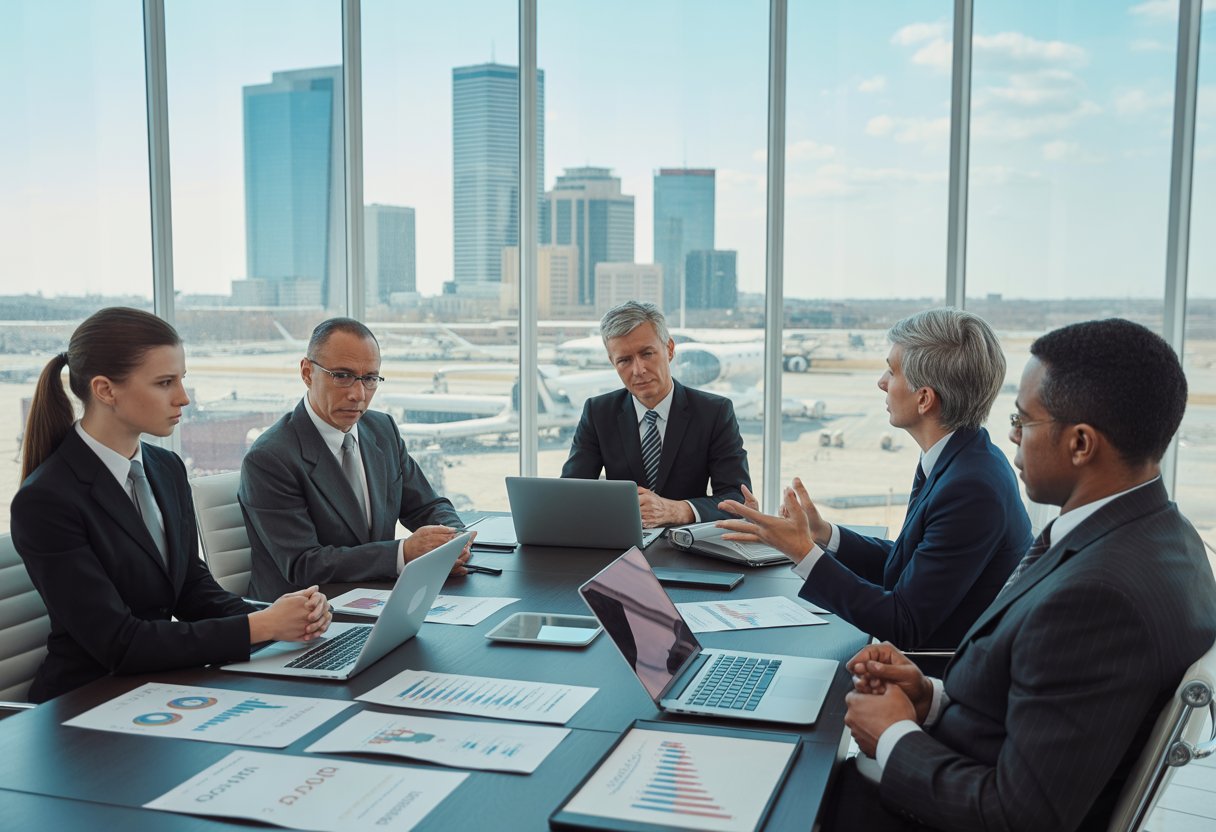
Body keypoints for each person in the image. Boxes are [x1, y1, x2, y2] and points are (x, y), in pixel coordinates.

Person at [824, 318, 1216, 832]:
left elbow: (1019, 815)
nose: (1010, 434)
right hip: (957, 752)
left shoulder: (1100, 598)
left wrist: (894, 735)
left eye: (1023, 420)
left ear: (1080, 444)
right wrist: (930, 697)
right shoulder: (1163, 536)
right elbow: (1044, 707)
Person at [10, 307, 331, 703]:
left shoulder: (165, 468)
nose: (183, 398)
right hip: (87, 700)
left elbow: (191, 590)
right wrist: (259, 626)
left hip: (159, 683)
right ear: (105, 390)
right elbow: (119, 642)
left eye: (181, 380)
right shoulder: (47, 500)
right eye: (165, 382)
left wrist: (284, 614)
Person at [719, 308, 1030, 658]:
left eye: (891, 370)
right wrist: (822, 534)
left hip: (933, 673)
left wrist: (801, 551)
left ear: (924, 399)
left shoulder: (972, 488)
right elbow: (908, 564)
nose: (882, 382)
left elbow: (903, 622)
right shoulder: (966, 455)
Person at [240, 317, 471, 601]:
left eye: (370, 379)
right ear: (307, 372)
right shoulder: (270, 457)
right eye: (342, 376)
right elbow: (303, 564)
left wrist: (453, 539)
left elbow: (427, 505)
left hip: (378, 599)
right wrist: (403, 553)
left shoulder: (382, 430)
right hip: (305, 618)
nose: (358, 395)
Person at [561, 300, 750, 525]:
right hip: (620, 543)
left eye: (647, 354)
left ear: (669, 349)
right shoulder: (598, 412)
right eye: (624, 360)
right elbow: (569, 494)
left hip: (690, 547)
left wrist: (678, 510)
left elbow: (737, 499)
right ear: (613, 362)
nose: (638, 370)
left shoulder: (715, 412)